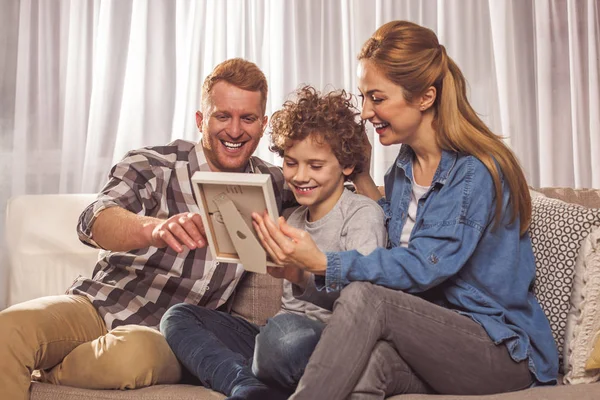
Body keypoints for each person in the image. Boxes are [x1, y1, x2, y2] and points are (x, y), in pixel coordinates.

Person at [252, 20, 559, 399]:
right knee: (371, 366)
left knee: (365, 296)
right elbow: (404, 235)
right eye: (364, 97)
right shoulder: (403, 166)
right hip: (436, 341)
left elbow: (423, 265)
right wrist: (363, 180)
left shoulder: (474, 172)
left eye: (377, 98)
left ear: (425, 98)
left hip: (499, 350)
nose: (365, 112)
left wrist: (323, 263)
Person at [0, 58, 294, 400]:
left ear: (263, 124)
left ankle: (50, 373)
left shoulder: (273, 183)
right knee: (9, 330)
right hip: (98, 304)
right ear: (201, 120)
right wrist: (154, 230)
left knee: (129, 359)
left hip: (169, 336)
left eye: (248, 118)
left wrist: (359, 167)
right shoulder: (155, 164)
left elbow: (338, 192)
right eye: (222, 116)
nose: (234, 130)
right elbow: (94, 218)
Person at [160, 85, 388, 399]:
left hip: (332, 339)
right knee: (178, 317)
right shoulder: (291, 217)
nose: (300, 176)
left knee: (283, 338)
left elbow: (365, 304)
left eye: (316, 166)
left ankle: (255, 372)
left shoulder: (362, 214)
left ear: (346, 166)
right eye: (292, 163)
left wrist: (301, 274)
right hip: (277, 337)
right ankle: (247, 385)